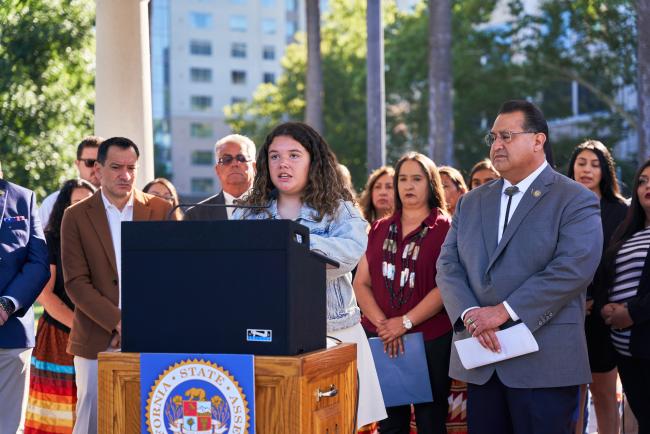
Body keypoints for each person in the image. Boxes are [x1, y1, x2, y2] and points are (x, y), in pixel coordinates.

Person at [436, 100, 603, 434]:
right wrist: (471, 314)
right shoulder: (472, 202)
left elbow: (573, 268)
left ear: (538, 141)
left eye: (507, 136)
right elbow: (447, 264)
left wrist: (501, 312)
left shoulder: (574, 199)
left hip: (545, 365)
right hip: (483, 360)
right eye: (494, 137)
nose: (497, 145)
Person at [235, 121, 387, 429]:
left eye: (294, 155)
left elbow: (348, 253)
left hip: (335, 333)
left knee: (337, 421)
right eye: (274, 156)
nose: (283, 164)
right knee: (275, 419)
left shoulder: (338, 208)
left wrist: (290, 240)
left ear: (312, 161)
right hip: (266, 336)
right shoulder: (248, 211)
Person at [61, 137, 173, 434]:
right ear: (97, 169)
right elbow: (76, 282)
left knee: (149, 419)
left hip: (154, 338)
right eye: (116, 167)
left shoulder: (161, 210)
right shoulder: (74, 216)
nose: (125, 175)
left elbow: (171, 276)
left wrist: (142, 325)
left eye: (131, 168)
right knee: (92, 423)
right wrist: (120, 323)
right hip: (96, 341)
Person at [354, 152, 452, 434]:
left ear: (431, 184)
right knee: (390, 424)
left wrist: (405, 322)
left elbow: (445, 285)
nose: (409, 186)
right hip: (383, 339)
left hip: (431, 338)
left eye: (417, 179)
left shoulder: (446, 228)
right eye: (403, 179)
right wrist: (385, 326)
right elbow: (361, 283)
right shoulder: (379, 228)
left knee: (431, 421)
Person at [25, 179, 96, 434]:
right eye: (77, 203)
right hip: (59, 339)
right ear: (64, 207)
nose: (85, 209)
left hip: (99, 337)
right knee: (55, 418)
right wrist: (84, 327)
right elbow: (45, 296)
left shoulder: (104, 241)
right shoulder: (51, 240)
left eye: (91, 202)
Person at [567, 140, 628, 434]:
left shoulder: (621, 211)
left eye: (594, 164)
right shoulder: (559, 207)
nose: (587, 170)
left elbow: (622, 267)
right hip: (566, 313)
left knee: (604, 394)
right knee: (572, 397)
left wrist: (597, 300)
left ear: (605, 170)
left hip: (604, 315)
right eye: (581, 163)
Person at [596, 160, 650, 434]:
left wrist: (632, 312)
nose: (647, 186)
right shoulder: (627, 234)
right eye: (642, 181)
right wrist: (606, 307)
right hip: (626, 351)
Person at [0, 162, 51, 434]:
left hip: (10, 335)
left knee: (8, 427)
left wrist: (7, 304)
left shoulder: (23, 197)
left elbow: (38, 263)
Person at [184, 134, 256, 220]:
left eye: (241, 158)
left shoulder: (272, 207)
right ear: (217, 170)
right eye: (227, 160)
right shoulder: (195, 215)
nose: (234, 164)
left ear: (254, 167)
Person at [39, 136, 104, 227]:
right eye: (90, 162)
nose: (95, 168)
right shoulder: (52, 203)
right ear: (77, 164)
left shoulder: (119, 202)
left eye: (101, 163)